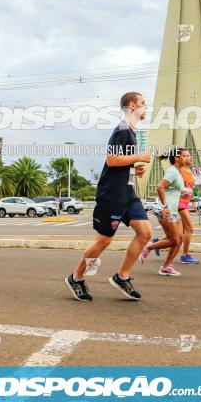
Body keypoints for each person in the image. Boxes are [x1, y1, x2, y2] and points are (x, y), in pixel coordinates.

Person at [65, 92, 153, 301]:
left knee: (145, 233)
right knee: (103, 241)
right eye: (143, 103)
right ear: (132, 105)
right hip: (112, 195)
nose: (146, 107)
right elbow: (112, 160)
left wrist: (134, 168)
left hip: (128, 194)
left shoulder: (131, 132)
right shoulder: (122, 130)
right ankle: (76, 278)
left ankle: (122, 276)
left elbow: (122, 162)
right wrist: (139, 157)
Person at [139, 148, 188, 275]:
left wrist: (185, 194)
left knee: (180, 238)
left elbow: (173, 191)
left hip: (173, 210)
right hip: (165, 210)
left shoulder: (178, 171)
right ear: (177, 158)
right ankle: (148, 248)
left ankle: (166, 267)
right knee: (174, 241)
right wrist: (165, 205)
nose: (188, 158)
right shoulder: (172, 171)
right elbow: (160, 187)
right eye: (185, 156)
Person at [177, 159, 199, 264]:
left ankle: (157, 242)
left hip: (185, 202)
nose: (190, 158)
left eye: (190, 156)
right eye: (186, 156)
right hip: (179, 202)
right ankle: (184, 255)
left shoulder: (190, 172)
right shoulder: (179, 171)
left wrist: (193, 201)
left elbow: (189, 188)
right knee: (190, 229)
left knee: (180, 232)